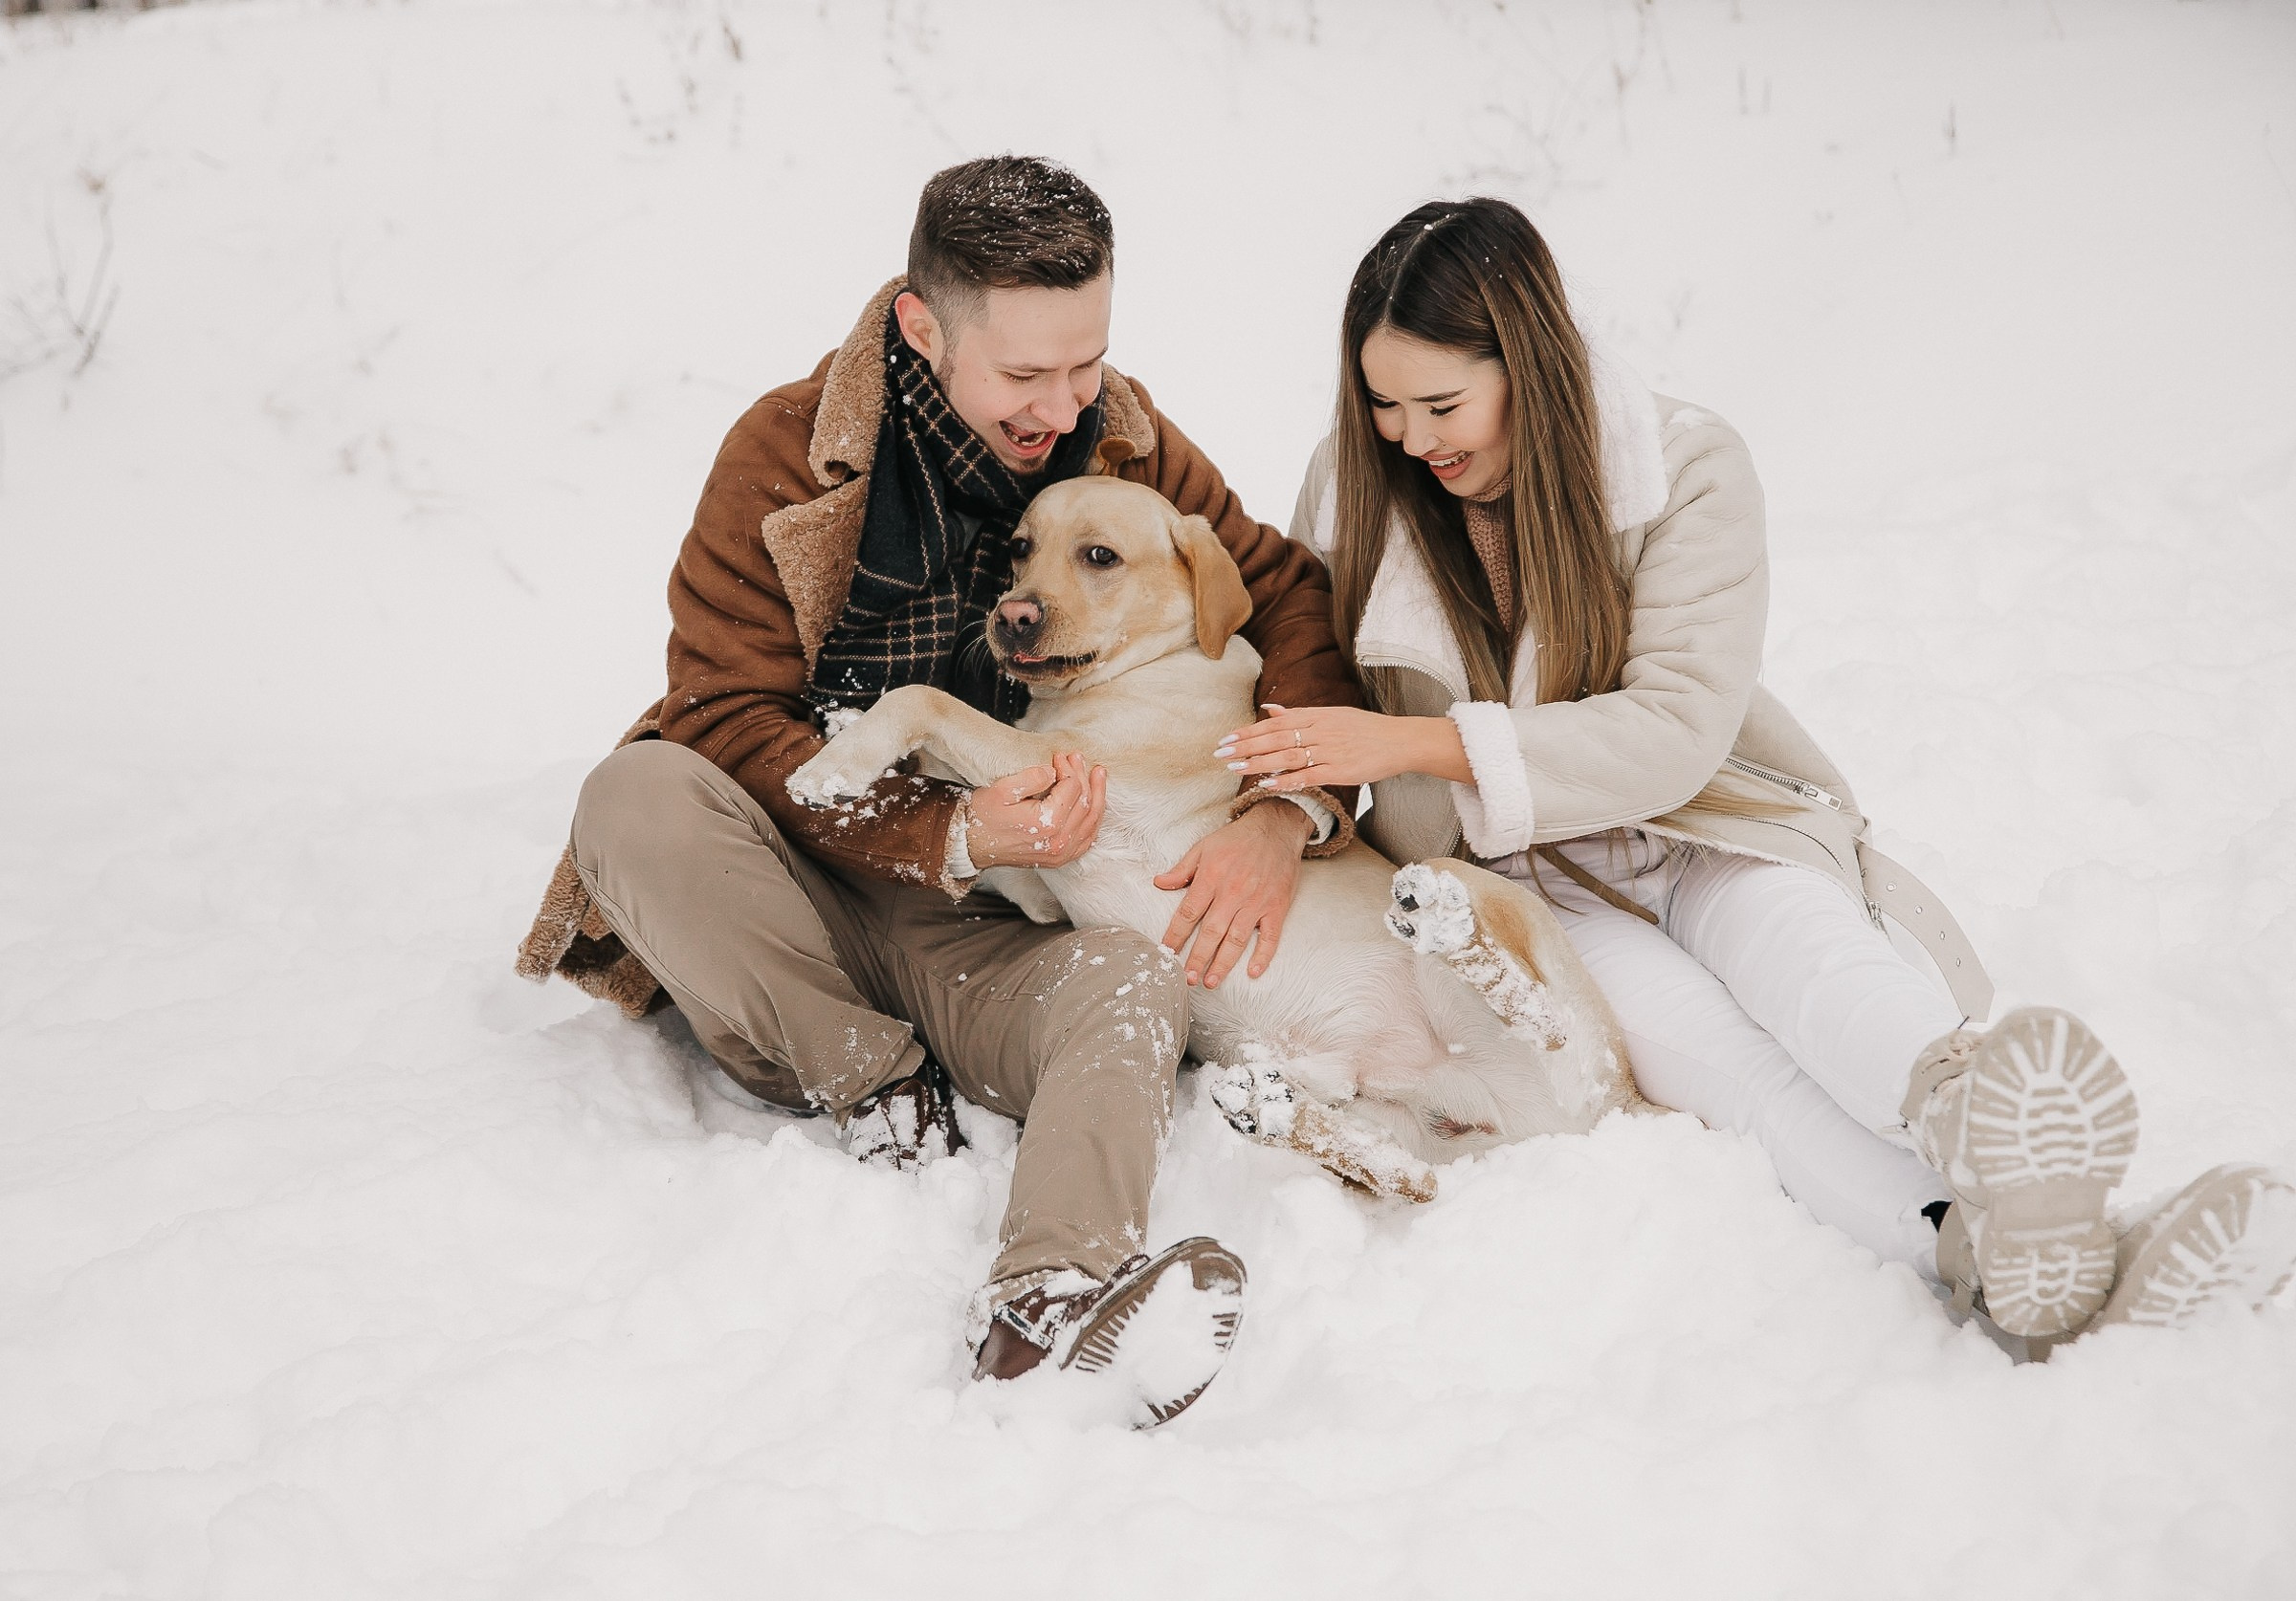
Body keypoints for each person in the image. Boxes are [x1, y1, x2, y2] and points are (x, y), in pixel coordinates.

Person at [1230, 196, 2296, 1352]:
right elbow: (1308, 661)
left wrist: (1418, 745)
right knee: (1743, 1082)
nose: (1411, 437)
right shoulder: (1354, 487)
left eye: (1442, 404)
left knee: (1825, 980)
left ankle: (2002, 1139)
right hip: (1521, 891)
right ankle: (1984, 1252)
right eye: (1383, 404)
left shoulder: (1681, 463)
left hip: (1697, 822)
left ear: (1527, 363)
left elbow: (1679, 723)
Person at [515, 157, 1363, 1417]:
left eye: (1086, 363)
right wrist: (945, 826)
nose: (1063, 402)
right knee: (632, 795)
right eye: (1025, 374)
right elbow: (723, 712)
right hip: (795, 890)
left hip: (994, 929)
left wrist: (1279, 809)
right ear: (922, 324)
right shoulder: (784, 459)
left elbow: (1281, 592)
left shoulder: (1116, 434)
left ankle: (1049, 1313)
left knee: (1134, 979)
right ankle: (872, 1078)